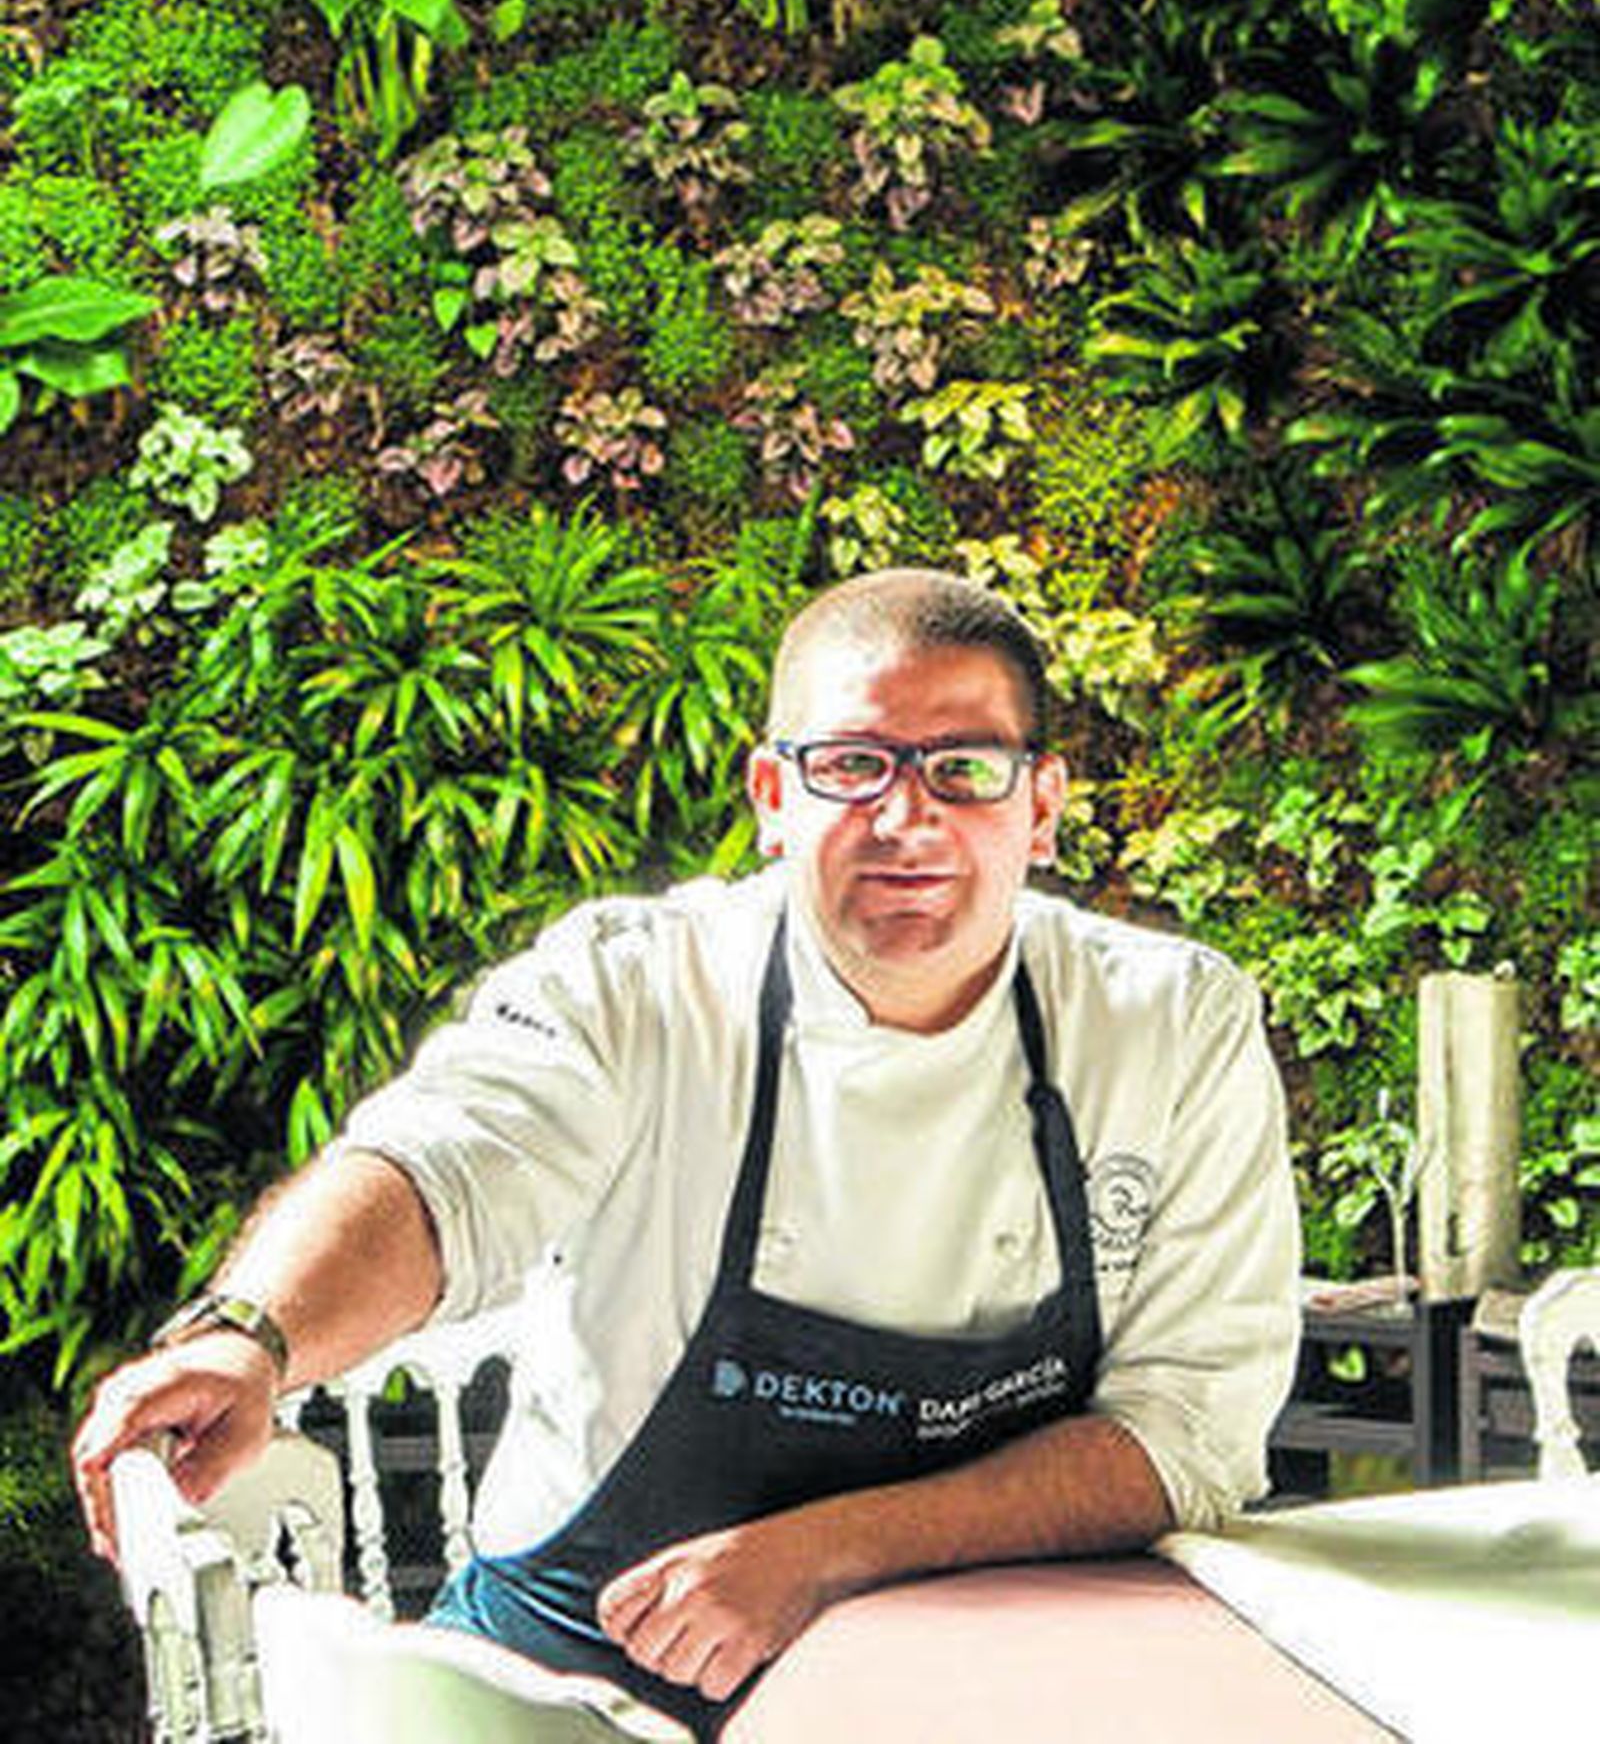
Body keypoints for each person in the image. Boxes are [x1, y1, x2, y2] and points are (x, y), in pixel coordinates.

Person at [74, 567, 1300, 1741]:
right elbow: (435, 1172)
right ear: (773, 797)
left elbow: (1182, 1433)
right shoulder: (642, 984)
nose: (907, 816)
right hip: (572, 1663)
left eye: (965, 768)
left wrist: (818, 1554)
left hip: (971, 1661)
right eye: (852, 764)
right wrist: (252, 1332)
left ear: (1040, 808)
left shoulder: (1169, 1024)